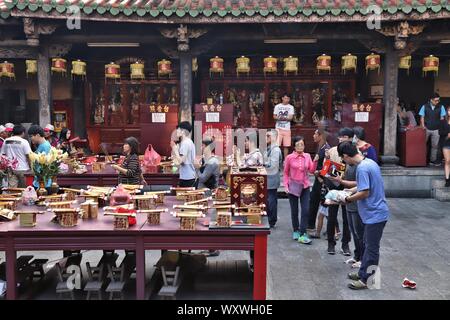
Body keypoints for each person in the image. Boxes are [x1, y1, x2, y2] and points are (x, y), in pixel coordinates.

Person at [338, 141, 389, 290]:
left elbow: (365, 192)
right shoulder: (370, 163)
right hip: (373, 213)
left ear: (346, 156)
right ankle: (362, 273)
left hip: (375, 214)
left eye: (343, 159)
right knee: (367, 246)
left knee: (371, 248)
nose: (344, 162)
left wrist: (347, 199)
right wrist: (349, 191)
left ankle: (367, 280)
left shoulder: (362, 168)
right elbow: (362, 186)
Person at [284, 135, 318, 244]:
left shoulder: (307, 156)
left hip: (305, 186)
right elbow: (285, 173)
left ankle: (303, 232)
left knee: (306, 210)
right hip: (293, 185)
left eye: (302, 145)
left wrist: (316, 161)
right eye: (298, 145)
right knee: (294, 210)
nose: (300, 147)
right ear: (294, 146)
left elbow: (312, 170)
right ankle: (296, 230)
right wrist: (285, 185)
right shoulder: (289, 157)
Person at [324, 127, 353, 256]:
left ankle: (345, 244)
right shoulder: (332, 151)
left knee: (347, 217)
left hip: (349, 186)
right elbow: (325, 169)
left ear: (351, 139)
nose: (341, 139)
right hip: (334, 185)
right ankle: (331, 243)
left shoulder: (354, 152)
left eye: (345, 137)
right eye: (340, 137)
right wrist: (329, 178)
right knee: (332, 216)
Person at [307, 128, 330, 237]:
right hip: (318, 179)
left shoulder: (326, 149)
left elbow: (327, 166)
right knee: (314, 202)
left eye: (315, 134)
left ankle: (334, 229)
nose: (313, 136)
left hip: (322, 181)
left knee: (324, 205)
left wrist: (319, 174)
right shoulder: (320, 147)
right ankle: (310, 225)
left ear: (321, 136)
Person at [419, 93, 446, 166]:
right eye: (435, 100)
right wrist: (423, 126)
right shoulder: (424, 106)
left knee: (435, 146)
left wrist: (441, 127)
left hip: (436, 129)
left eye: (438, 100)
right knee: (423, 144)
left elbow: (442, 118)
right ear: (431, 100)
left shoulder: (441, 107)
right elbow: (422, 117)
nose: (437, 102)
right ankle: (421, 159)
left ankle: (432, 161)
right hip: (426, 128)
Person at [264, 130, 282, 228]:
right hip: (267, 176)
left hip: (272, 177)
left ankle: (272, 220)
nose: (266, 138)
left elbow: (273, 165)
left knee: (271, 199)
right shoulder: (268, 148)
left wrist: (261, 163)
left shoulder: (275, 150)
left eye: (268, 136)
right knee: (268, 198)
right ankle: (269, 218)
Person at [171, 121, 197, 188]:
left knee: (185, 198)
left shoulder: (185, 143)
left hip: (187, 178)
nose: (177, 131)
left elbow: (182, 161)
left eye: (178, 129)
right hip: (189, 176)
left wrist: (175, 151)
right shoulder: (188, 142)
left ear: (183, 131)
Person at [28, 125, 52, 189]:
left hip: (43, 183)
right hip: (39, 181)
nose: (30, 138)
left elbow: (45, 165)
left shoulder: (45, 146)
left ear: (38, 135)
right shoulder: (42, 145)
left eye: (31, 136)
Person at [273, 93, 295, 159]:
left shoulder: (291, 107)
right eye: (285, 98)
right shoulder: (277, 106)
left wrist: (280, 117)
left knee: (286, 146)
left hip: (287, 129)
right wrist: (285, 117)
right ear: (282, 98)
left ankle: (285, 161)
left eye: (288, 98)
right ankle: (277, 160)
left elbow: (290, 118)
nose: (287, 100)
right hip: (278, 128)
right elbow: (274, 116)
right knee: (277, 146)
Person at [441, 106, 450, 187]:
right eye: (449, 110)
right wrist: (447, 135)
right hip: (446, 143)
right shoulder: (444, 121)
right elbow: (440, 132)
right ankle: (447, 180)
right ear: (447, 112)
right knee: (447, 161)